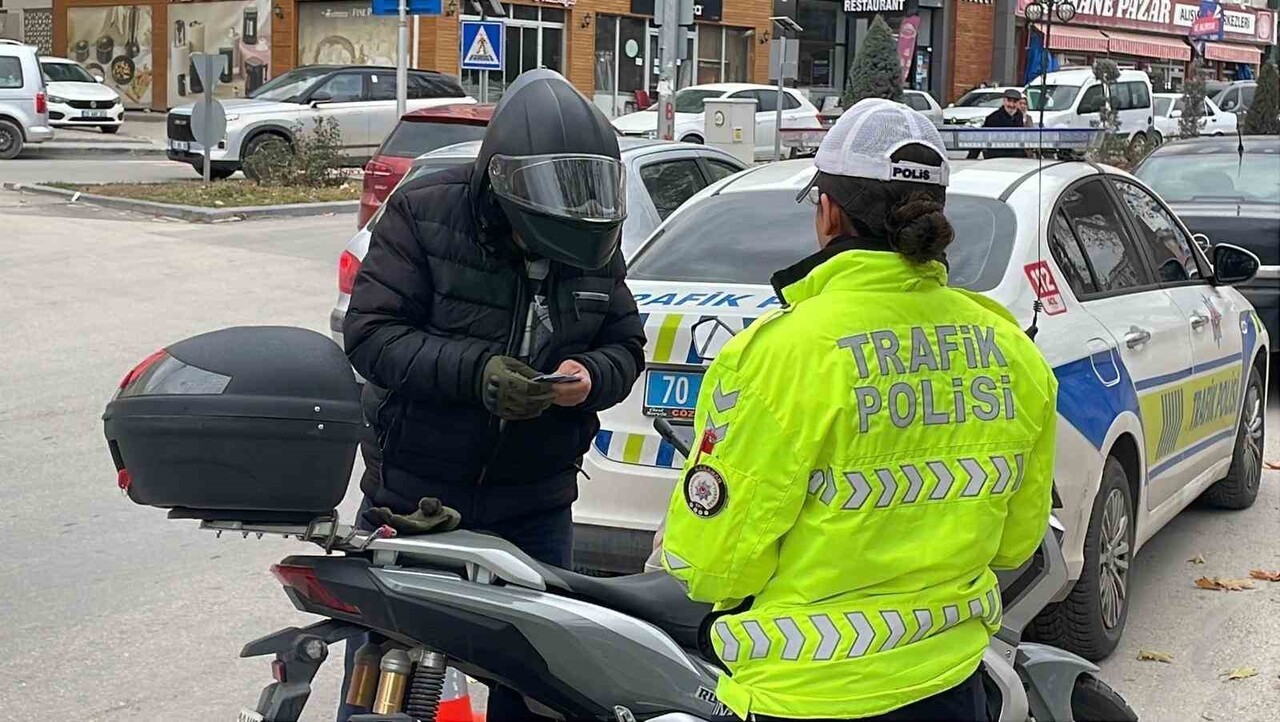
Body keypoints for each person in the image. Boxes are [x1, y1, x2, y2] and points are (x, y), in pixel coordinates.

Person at [659, 98, 1058, 722]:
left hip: (807, 696)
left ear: (828, 213)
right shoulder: (1010, 350)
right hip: (951, 683)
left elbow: (712, 567)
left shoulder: (781, 355)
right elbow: (1016, 545)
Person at [338, 69, 646, 721]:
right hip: (416, 500)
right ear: (502, 182)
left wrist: (589, 377)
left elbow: (625, 345)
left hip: (537, 506)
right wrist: (478, 373)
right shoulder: (425, 212)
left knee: (545, 696)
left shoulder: (590, 238)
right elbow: (371, 336)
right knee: (389, 699)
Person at [967, 88, 1028, 159]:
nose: (1011, 105)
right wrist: (971, 158)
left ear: (1018, 103)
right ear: (1004, 101)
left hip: (1016, 155)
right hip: (997, 156)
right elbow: (981, 137)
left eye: (1014, 102)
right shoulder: (993, 118)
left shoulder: (1019, 115)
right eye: (1009, 101)